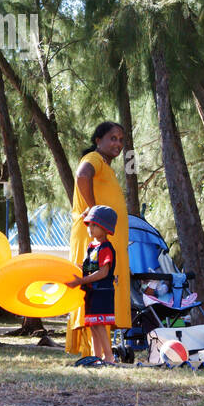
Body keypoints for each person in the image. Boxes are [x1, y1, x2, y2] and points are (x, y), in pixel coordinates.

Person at [66, 122, 130, 358]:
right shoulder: (93, 158)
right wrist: (94, 212)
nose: (118, 144)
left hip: (105, 243)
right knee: (93, 292)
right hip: (91, 239)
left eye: (121, 139)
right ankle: (96, 352)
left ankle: (98, 353)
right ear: (98, 140)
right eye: (112, 138)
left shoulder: (105, 165)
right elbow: (82, 175)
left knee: (101, 295)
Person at [66, 205, 119, 365]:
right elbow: (91, 268)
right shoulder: (91, 247)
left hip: (102, 292)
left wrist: (81, 281)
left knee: (100, 325)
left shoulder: (105, 248)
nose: (90, 228)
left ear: (105, 229)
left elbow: (103, 272)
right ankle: (97, 356)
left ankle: (109, 356)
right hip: (91, 293)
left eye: (95, 225)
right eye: (89, 224)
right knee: (94, 326)